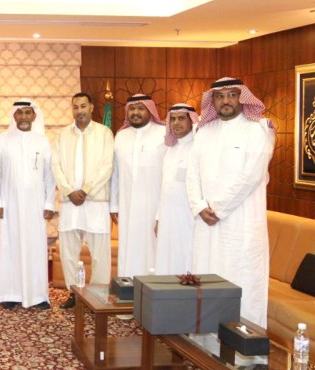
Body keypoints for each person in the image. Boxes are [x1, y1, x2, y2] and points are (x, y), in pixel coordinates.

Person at [187, 77, 275, 327]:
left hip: (241, 224)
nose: (225, 100)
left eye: (232, 95)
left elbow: (252, 176)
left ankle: (244, 344)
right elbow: (192, 174)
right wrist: (199, 206)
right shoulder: (203, 132)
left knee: (242, 281)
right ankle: (206, 342)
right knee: (207, 279)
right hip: (206, 224)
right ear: (212, 100)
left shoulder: (256, 131)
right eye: (219, 96)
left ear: (242, 98)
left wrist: (218, 208)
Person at [52, 93, 115, 310]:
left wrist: (86, 190)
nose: (79, 111)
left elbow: (107, 166)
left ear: (92, 107)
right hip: (70, 202)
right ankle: (75, 293)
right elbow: (56, 166)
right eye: (75, 107)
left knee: (100, 254)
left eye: (83, 106)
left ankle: (98, 295)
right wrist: (69, 191)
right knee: (68, 252)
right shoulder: (62, 135)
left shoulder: (104, 133)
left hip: (95, 201)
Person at [0, 99, 56, 310]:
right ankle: (10, 293)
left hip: (36, 205)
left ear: (34, 116)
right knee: (9, 246)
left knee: (35, 248)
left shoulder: (42, 142)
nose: (24, 117)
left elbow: (50, 175)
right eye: (20, 113)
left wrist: (49, 203)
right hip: (9, 204)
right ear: (14, 116)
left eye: (28, 113)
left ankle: (37, 294)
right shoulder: (2, 140)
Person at [110, 94, 167, 277]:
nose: (136, 112)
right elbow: (115, 172)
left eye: (141, 108)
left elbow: (169, 173)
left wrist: (162, 210)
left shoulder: (163, 133)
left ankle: (153, 286)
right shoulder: (121, 136)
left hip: (154, 203)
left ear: (150, 110)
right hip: (127, 204)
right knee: (129, 244)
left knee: (153, 246)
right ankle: (128, 283)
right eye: (132, 109)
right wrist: (114, 205)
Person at [155, 103, 199, 275]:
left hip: (189, 217)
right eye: (172, 119)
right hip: (168, 217)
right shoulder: (170, 149)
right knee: (166, 257)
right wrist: (158, 217)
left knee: (186, 256)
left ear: (192, 121)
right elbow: (164, 188)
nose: (176, 123)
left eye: (181, 118)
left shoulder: (197, 148)